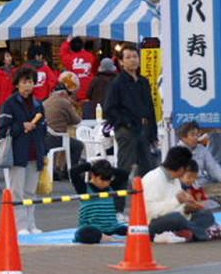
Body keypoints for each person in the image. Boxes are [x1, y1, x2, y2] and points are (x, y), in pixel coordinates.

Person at [142, 147, 221, 242]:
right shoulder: (153, 178)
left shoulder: (175, 179)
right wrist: (176, 201)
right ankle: (203, 234)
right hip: (153, 223)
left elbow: (177, 209)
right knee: (177, 218)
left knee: (206, 215)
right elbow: (150, 212)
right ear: (181, 168)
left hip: (176, 219)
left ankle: (184, 233)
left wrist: (186, 208)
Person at [0, 66, 47, 234]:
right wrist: (21, 126)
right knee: (17, 191)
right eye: (25, 82)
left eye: (31, 82)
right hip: (17, 153)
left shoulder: (38, 104)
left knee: (31, 191)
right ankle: (20, 226)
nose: (28, 85)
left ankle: (32, 224)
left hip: (35, 152)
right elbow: (3, 129)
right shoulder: (9, 104)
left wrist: (44, 152)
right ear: (17, 84)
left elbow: (43, 129)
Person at [104, 44, 157, 178]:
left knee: (148, 166)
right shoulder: (117, 83)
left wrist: (153, 133)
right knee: (124, 166)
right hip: (126, 130)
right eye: (128, 57)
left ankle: (144, 197)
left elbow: (150, 108)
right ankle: (119, 198)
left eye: (135, 56)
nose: (132, 60)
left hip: (144, 128)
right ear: (121, 62)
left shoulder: (143, 81)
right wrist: (126, 122)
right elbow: (109, 109)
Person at [71, 160, 128, 244]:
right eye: (102, 180)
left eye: (108, 180)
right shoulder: (83, 188)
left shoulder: (111, 188)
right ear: (93, 176)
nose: (105, 183)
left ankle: (105, 237)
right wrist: (90, 165)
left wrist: (107, 168)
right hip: (91, 228)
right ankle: (105, 237)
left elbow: (125, 174)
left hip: (112, 228)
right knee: (84, 234)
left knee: (134, 231)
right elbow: (73, 172)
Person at [177, 121, 221, 197]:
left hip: (202, 183)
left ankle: (201, 196)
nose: (196, 137)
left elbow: (213, 167)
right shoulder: (176, 151)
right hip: (184, 186)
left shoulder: (201, 149)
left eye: (197, 135)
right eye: (192, 135)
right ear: (183, 137)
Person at [43, 76, 85, 174]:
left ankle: (59, 168)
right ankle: (70, 170)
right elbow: (76, 120)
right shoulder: (64, 102)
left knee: (70, 143)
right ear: (64, 93)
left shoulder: (46, 101)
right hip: (56, 138)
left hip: (45, 136)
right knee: (78, 145)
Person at [60, 35, 97, 102]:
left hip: (75, 92)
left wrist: (67, 42)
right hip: (89, 91)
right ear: (82, 46)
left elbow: (63, 52)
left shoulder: (69, 58)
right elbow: (95, 70)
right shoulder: (91, 56)